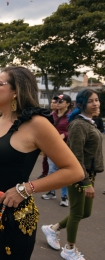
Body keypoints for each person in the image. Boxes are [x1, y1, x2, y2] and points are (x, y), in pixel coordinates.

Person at [0, 67, 84, 259]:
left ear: (16, 91)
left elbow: (74, 171)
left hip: (15, 221)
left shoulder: (36, 124)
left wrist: (26, 189)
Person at [42, 89, 103, 260]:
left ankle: (52, 229)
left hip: (88, 174)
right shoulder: (78, 125)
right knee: (77, 212)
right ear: (81, 104)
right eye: (91, 101)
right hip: (78, 175)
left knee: (86, 212)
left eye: (97, 100)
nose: (96, 104)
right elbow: (76, 156)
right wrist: (85, 182)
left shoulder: (90, 122)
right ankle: (69, 249)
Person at [41, 94, 72, 207]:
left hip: (65, 148)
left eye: (61, 101)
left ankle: (64, 196)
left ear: (67, 104)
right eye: (56, 101)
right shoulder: (51, 115)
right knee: (51, 170)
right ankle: (51, 192)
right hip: (52, 147)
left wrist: (64, 134)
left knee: (64, 172)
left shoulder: (71, 116)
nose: (57, 103)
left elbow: (75, 130)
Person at [37, 96, 57, 179]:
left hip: (60, 143)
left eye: (55, 102)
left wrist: (64, 134)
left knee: (54, 165)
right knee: (46, 161)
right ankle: (45, 173)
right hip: (48, 142)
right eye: (52, 102)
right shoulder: (50, 114)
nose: (53, 104)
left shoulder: (68, 116)